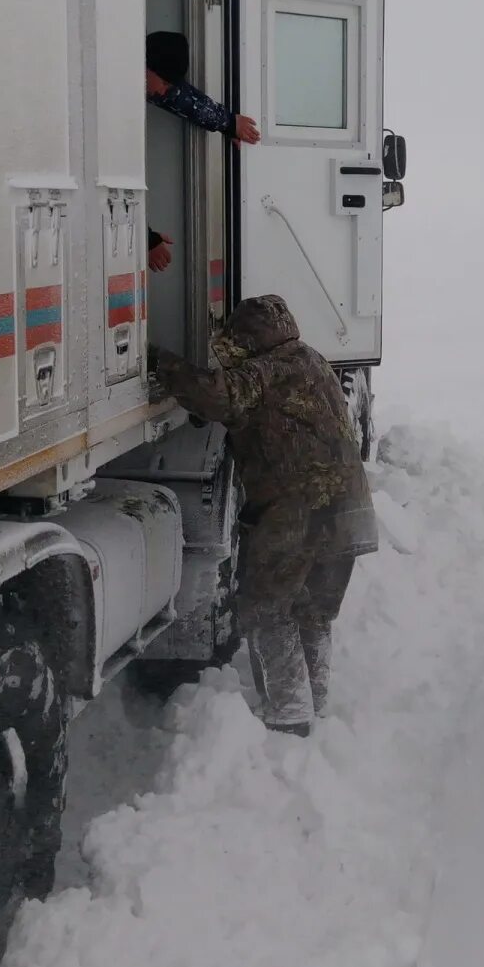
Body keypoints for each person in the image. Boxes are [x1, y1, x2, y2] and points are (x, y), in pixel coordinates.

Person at [150, 296, 377, 736]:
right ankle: (319, 699)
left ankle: (289, 715)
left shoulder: (268, 369)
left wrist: (162, 362)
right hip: (349, 509)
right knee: (312, 611)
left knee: (269, 610)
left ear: (249, 339)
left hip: (298, 511)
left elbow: (218, 396)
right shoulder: (310, 360)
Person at [144, 31, 261, 272]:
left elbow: (182, 99)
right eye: (165, 82)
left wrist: (228, 123)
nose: (164, 92)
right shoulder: (113, 86)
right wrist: (146, 239)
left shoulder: (147, 76)